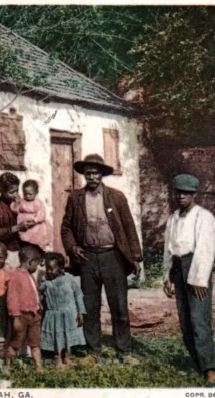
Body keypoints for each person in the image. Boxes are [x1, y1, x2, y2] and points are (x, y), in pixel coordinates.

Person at [61, 154, 143, 364]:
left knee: (119, 306)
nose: (92, 177)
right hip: (88, 257)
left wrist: (136, 257)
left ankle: (123, 350)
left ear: (102, 175)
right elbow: (66, 228)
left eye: (96, 173)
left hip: (112, 256)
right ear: (84, 175)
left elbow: (129, 227)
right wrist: (72, 247)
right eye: (88, 173)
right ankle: (93, 350)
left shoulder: (116, 197)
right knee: (90, 306)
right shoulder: (75, 198)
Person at [162, 174, 215, 384]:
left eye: (186, 193)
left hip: (195, 268)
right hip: (178, 268)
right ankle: (198, 362)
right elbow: (168, 249)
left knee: (198, 320)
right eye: (179, 193)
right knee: (185, 320)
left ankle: (210, 368)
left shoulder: (204, 217)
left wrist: (199, 280)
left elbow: (205, 250)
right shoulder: (173, 218)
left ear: (195, 194)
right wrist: (167, 276)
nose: (182, 197)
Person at [39, 252, 86, 369]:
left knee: (67, 338)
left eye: (52, 269)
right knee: (57, 338)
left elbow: (78, 296)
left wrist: (81, 312)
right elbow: (40, 295)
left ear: (61, 268)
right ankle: (58, 359)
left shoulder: (69, 279)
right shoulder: (46, 283)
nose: (49, 271)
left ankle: (67, 358)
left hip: (69, 314)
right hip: (53, 316)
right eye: (47, 269)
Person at [0, 173, 35, 269]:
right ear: (2, 191)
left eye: (17, 191)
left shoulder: (19, 205)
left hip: (22, 251)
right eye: (11, 192)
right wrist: (17, 227)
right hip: (4, 255)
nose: (15, 195)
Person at [5, 245, 43, 372]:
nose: (36, 268)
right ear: (31, 261)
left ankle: (39, 367)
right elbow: (12, 298)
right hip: (21, 316)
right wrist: (15, 317)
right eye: (36, 264)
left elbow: (34, 292)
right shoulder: (16, 276)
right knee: (16, 343)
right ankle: (8, 366)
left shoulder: (28, 275)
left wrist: (39, 306)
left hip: (34, 315)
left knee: (35, 343)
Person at [10, 179, 53, 252]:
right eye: (25, 194)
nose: (27, 196)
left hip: (35, 225)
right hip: (24, 225)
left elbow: (41, 214)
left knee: (37, 238)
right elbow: (15, 210)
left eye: (30, 194)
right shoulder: (22, 201)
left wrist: (35, 220)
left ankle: (38, 250)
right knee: (25, 239)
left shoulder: (37, 203)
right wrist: (16, 203)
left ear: (36, 193)